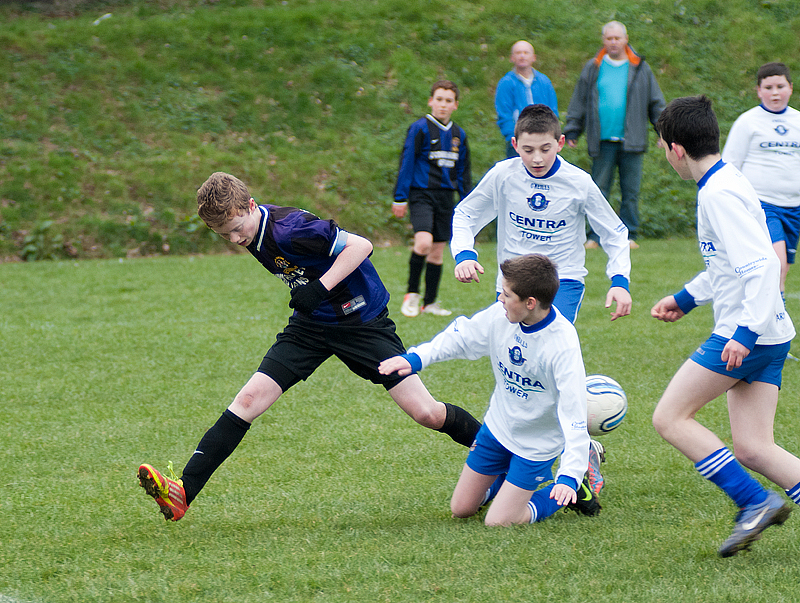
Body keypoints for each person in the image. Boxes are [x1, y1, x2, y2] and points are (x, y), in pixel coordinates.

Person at [138, 172, 482, 521]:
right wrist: (314, 296)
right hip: (311, 325)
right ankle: (183, 491)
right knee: (248, 400)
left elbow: (360, 246)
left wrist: (320, 287)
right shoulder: (249, 231)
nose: (235, 239)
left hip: (361, 322)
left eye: (237, 228)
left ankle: (496, 452)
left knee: (426, 412)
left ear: (252, 206)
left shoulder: (292, 228)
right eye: (224, 235)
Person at [651, 95, 800, 557]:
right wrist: (686, 298)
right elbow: (731, 263)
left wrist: (744, 334)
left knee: (670, 418)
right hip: (770, 330)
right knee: (754, 448)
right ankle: (756, 494)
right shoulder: (727, 179)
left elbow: (759, 267)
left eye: (662, 147)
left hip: (748, 332)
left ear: (676, 149)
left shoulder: (718, 192)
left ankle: (753, 501)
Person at [379, 254, 600, 526]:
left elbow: (574, 413)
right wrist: (415, 359)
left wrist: (569, 474)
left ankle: (569, 490)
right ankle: (513, 485)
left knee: (499, 522)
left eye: (507, 295)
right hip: (498, 428)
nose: (500, 299)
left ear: (530, 303)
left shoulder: (561, 345)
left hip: (536, 445)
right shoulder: (501, 316)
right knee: (461, 509)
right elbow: (462, 337)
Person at [451, 104, 632, 324]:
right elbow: (466, 213)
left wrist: (620, 281)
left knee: (549, 344)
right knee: (512, 354)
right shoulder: (503, 175)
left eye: (545, 149)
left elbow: (614, 232)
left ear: (560, 143)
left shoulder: (579, 182)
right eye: (528, 150)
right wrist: (464, 254)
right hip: (512, 282)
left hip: (562, 280)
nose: (537, 158)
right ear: (515, 145)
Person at [564, 21, 665, 249]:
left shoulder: (639, 67)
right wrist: (572, 129)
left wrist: (663, 131)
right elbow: (579, 100)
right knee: (599, 191)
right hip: (602, 140)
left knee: (630, 191)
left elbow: (655, 102)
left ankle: (629, 235)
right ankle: (596, 236)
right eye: (609, 38)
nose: (613, 42)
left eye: (617, 38)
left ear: (625, 39)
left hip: (633, 140)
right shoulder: (593, 67)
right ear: (603, 40)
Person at [393, 80, 472, 318]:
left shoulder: (459, 134)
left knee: (437, 252)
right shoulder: (420, 128)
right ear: (431, 101)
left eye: (448, 101)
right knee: (423, 243)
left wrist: (469, 203)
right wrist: (400, 197)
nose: (443, 105)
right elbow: (406, 162)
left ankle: (430, 303)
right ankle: (412, 295)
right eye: (439, 99)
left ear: (455, 105)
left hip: (446, 198)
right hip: (422, 194)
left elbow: (463, 173)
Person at [722, 62, 800, 299]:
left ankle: (771, 310)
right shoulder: (747, 122)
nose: (774, 93)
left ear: (791, 88)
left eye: (780, 86)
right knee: (777, 261)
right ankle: (775, 315)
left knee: (783, 267)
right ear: (758, 90)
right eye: (768, 87)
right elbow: (729, 164)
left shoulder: (798, 120)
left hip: (794, 207)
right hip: (763, 204)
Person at [495, 40, 559, 159]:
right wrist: (513, 138)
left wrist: (552, 135)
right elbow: (504, 114)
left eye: (526, 52)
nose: (522, 56)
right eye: (518, 53)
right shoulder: (506, 83)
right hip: (519, 143)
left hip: (545, 140)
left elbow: (553, 110)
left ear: (533, 57)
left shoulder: (544, 82)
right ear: (512, 58)